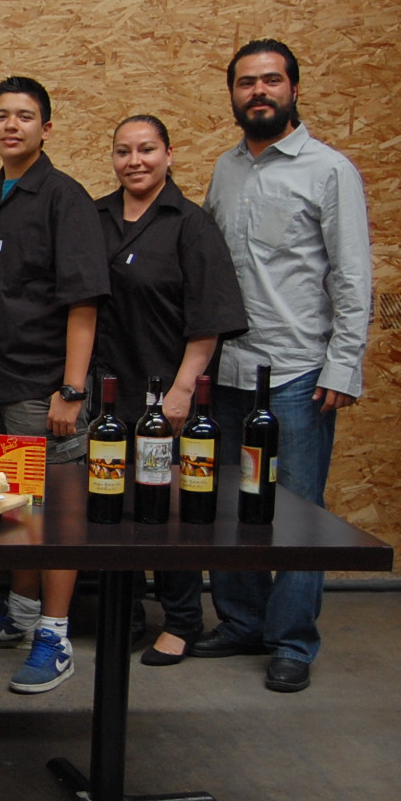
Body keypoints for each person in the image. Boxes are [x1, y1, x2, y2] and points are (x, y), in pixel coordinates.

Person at [192, 39, 372, 694]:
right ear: (233, 93)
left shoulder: (330, 171)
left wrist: (341, 367)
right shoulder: (226, 168)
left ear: (294, 88)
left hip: (297, 373)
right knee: (233, 506)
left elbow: (352, 275)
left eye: (270, 81)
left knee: (297, 516)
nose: (258, 92)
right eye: (246, 82)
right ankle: (241, 622)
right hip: (232, 369)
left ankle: (292, 640)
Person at [0, 76, 109, 695]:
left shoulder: (64, 197)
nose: (11, 126)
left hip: (36, 390)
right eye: (2, 116)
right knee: (10, 506)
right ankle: (19, 614)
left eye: (25, 116)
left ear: (47, 128)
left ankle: (53, 633)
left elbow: (83, 302)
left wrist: (70, 391)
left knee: (49, 514)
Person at [92, 115, 246, 665]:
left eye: (147, 150)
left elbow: (208, 319)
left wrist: (183, 390)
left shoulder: (190, 224)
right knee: (117, 503)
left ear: (169, 154)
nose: (134, 161)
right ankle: (127, 612)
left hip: (165, 393)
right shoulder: (98, 216)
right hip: (107, 391)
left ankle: (182, 619)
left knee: (170, 507)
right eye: (123, 151)